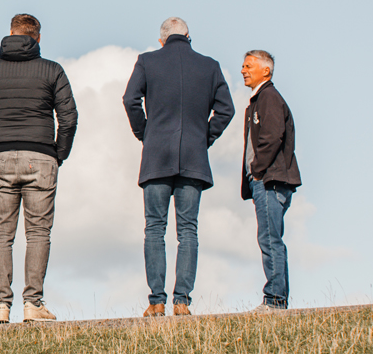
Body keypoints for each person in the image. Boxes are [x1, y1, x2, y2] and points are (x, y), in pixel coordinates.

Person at [0, 13, 78, 324]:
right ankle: (33, 303)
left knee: (0, 234)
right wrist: (58, 154)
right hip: (41, 157)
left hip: (0, 157)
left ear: (11, 34)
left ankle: (1, 305)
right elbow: (68, 118)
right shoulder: (52, 70)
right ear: (37, 38)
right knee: (38, 232)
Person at [122, 18, 235, 318]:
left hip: (156, 155)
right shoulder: (209, 66)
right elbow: (227, 109)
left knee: (154, 229)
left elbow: (130, 99)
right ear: (189, 37)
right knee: (188, 231)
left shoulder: (147, 61)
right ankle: (182, 301)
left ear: (162, 40)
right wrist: (204, 138)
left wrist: (144, 133)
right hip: (194, 157)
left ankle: (156, 301)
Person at [240, 50, 301, 313]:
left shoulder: (269, 98)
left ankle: (275, 300)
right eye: (243, 66)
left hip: (270, 180)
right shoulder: (259, 100)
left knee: (269, 238)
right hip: (266, 180)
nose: (243, 70)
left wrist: (256, 170)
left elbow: (272, 136)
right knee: (269, 237)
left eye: (248, 66)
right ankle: (277, 298)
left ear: (266, 70)